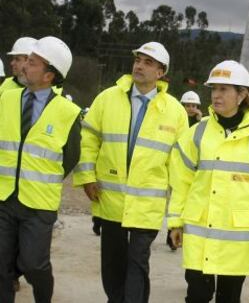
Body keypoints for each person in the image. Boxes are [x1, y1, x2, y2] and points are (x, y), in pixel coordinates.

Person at [73, 41, 188, 303]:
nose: (139, 65)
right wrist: (87, 177)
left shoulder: (175, 112)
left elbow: (180, 165)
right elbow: (88, 139)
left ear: (161, 72)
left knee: (137, 263)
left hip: (147, 205)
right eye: (138, 59)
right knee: (112, 264)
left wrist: (177, 215)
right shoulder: (107, 99)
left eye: (148, 62)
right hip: (110, 200)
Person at [168, 60, 249, 303]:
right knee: (197, 296)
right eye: (214, 89)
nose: (216, 95)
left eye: (224, 89)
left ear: (242, 94)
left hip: (238, 239)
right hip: (199, 233)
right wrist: (175, 222)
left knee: (229, 298)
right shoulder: (197, 133)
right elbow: (181, 183)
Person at [0, 36, 81, 303]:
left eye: (32, 63)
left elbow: (71, 156)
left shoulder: (68, 112)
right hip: (4, 198)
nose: (24, 67)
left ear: (48, 75)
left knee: (34, 265)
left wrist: (44, 179)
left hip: (38, 205)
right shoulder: (6, 99)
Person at [165, 90, 204, 251]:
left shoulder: (201, 124)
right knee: (174, 201)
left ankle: (183, 233)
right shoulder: (176, 119)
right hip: (174, 166)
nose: (190, 108)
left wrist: (200, 119)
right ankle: (171, 234)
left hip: (190, 169)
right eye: (187, 105)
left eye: (193, 105)